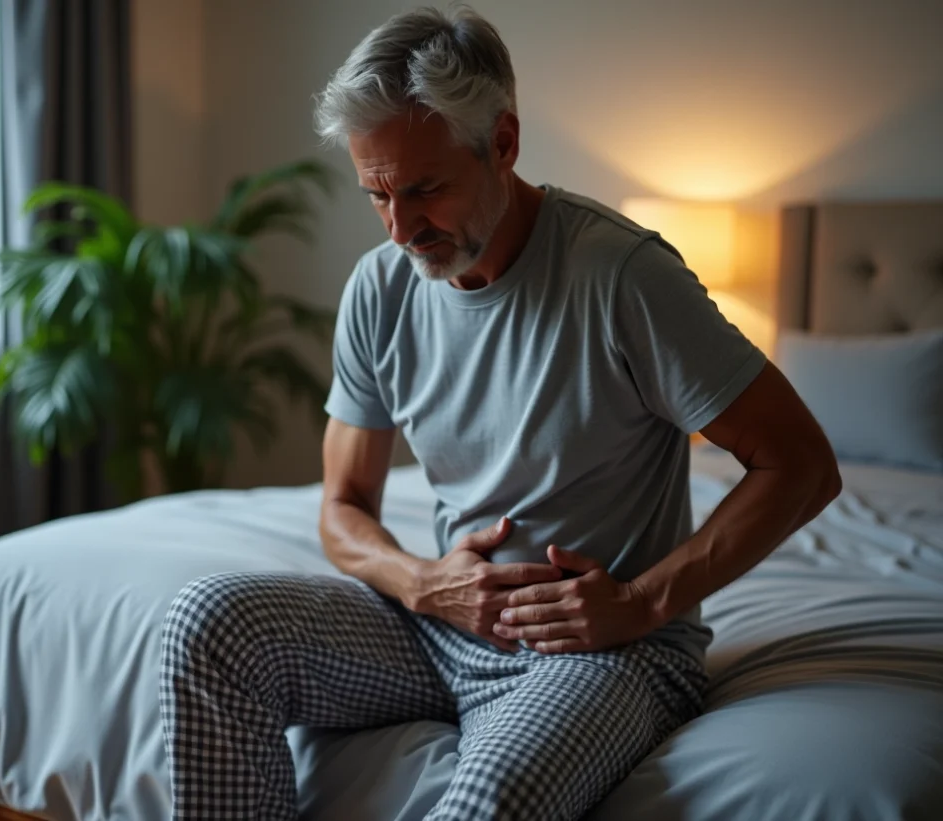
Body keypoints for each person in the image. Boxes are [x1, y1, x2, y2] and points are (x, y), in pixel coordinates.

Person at [160, 6, 841, 820]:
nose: (401, 227)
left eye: (425, 190)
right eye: (376, 192)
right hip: (442, 623)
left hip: (603, 651)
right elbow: (342, 511)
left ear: (505, 143)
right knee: (206, 623)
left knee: (479, 803)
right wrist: (423, 582)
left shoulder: (624, 277)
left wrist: (648, 601)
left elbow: (801, 462)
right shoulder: (379, 290)